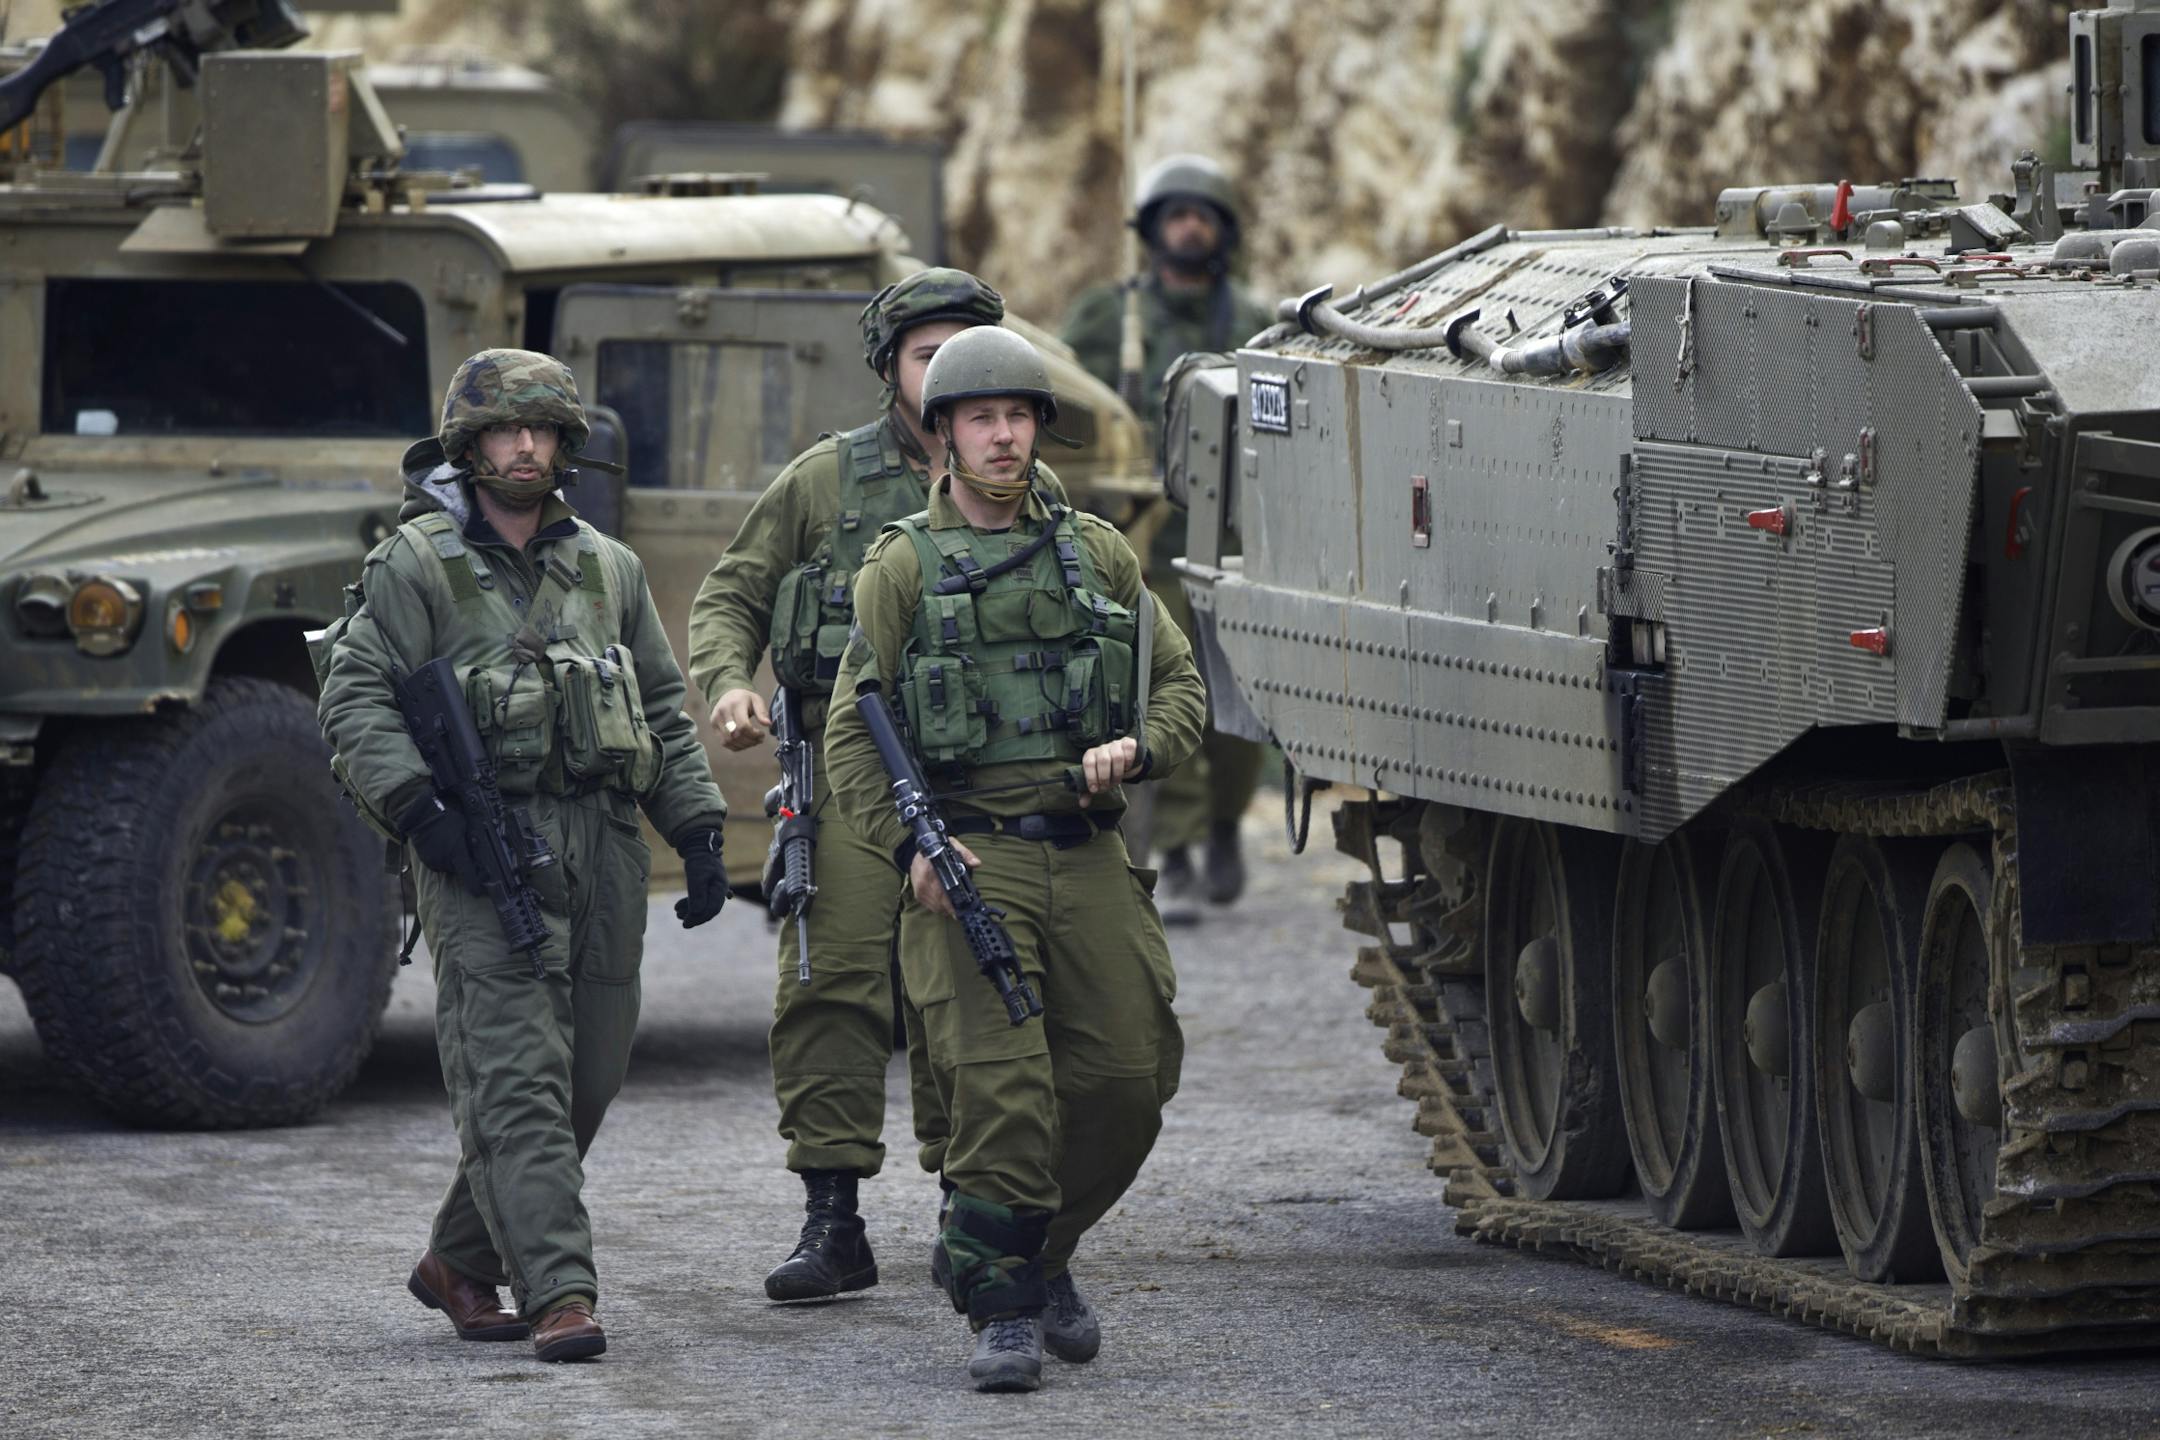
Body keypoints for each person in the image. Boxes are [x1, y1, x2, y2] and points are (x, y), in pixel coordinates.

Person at [319, 349, 730, 1363]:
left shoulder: (608, 566)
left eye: (543, 431)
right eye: (505, 429)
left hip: (602, 853)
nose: (525, 446)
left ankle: (457, 1260)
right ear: (470, 442)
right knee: (517, 1082)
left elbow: (664, 709)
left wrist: (699, 825)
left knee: (589, 1073)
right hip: (479, 850)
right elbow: (354, 697)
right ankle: (560, 1292)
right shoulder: (415, 565)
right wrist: (420, 811)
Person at [823, 326, 1204, 1392]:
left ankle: (1032, 1250)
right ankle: (1002, 1305)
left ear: (1041, 428)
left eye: (1018, 415)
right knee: (1000, 1095)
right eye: (980, 417)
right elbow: (854, 731)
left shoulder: (1098, 552)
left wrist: (1142, 745)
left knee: (1129, 1080)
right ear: (942, 433)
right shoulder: (902, 565)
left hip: (1087, 856)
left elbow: (1178, 684)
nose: (1002, 435)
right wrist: (911, 848)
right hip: (969, 864)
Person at [686, 269, 1071, 1302]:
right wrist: (730, 686)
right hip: (852, 774)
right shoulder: (826, 481)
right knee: (831, 981)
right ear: (891, 372)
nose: (948, 375)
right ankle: (833, 1217)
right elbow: (732, 594)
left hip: (980, 785)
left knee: (975, 989)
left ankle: (971, 1208)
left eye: (968, 354)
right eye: (926, 356)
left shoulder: (1032, 493)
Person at [1062, 153, 1276, 911]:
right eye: (1175, 214)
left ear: (1222, 230)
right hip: (1144, 538)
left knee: (1241, 702)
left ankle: (1223, 826)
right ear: (1153, 230)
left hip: (1237, 536)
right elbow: (1064, 409)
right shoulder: (1106, 316)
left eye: (1203, 214)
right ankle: (1178, 844)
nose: (1189, 226)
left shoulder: (1256, 322)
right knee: (1165, 686)